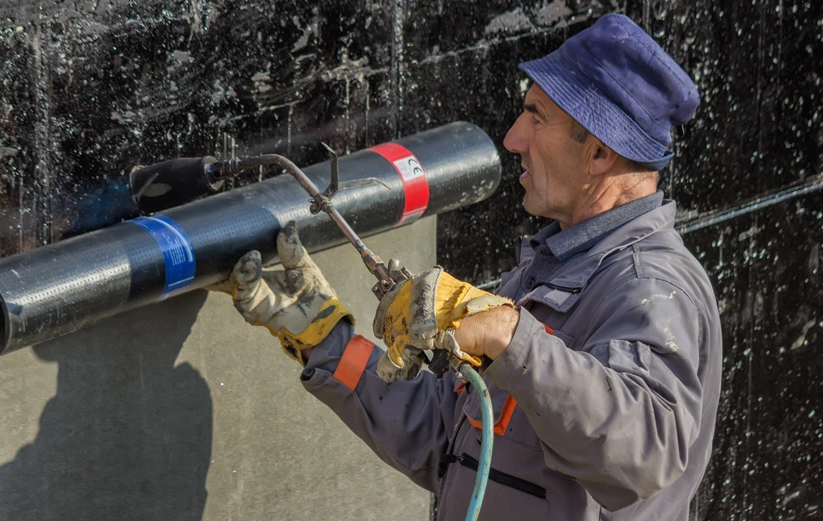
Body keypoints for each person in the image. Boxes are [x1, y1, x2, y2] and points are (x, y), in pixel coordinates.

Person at [213, 13, 722, 521]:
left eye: (537, 116)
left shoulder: (650, 286)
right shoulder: (556, 268)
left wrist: (510, 333)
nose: (514, 137)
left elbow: (644, 452)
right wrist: (327, 341)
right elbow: (448, 442)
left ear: (599, 153)